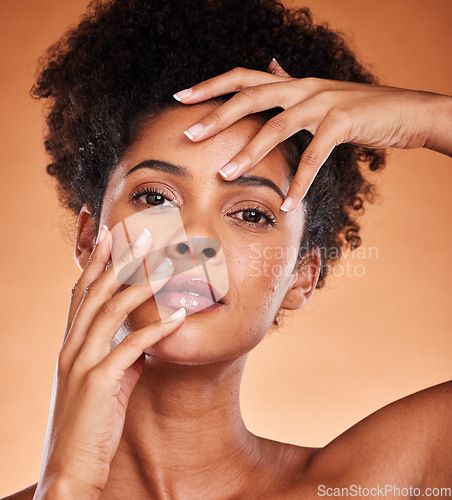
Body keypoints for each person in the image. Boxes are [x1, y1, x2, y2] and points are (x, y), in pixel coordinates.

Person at [4, 0, 451, 498]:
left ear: (302, 276)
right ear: (91, 239)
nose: (196, 240)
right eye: (155, 197)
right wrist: (66, 485)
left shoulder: (377, 484)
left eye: (252, 214)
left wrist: (431, 115)